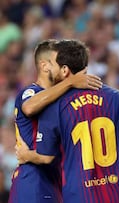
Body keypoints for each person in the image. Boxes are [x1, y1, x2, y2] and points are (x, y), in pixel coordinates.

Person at [16, 39, 119, 203]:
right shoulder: (115, 97)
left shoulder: (54, 106)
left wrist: (27, 155)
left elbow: (46, 157)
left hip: (78, 196)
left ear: (65, 70)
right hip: (116, 195)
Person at [9, 39, 103, 203]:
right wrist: (70, 82)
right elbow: (29, 107)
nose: (63, 67)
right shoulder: (31, 91)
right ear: (44, 66)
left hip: (53, 182)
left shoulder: (61, 98)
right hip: (33, 180)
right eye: (58, 62)